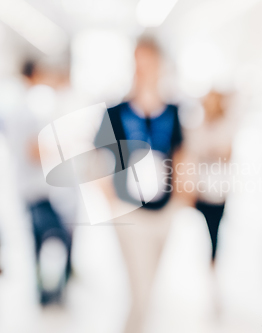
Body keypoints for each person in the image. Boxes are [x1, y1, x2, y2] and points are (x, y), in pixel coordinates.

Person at [94, 37, 184, 333]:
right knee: (141, 293)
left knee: (149, 289)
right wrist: (111, 202)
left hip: (163, 211)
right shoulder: (116, 113)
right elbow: (96, 158)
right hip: (129, 213)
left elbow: (182, 155)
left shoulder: (172, 112)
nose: (142, 70)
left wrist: (182, 199)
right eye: (138, 63)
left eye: (149, 63)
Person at [2, 58, 73, 305]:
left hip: (26, 186)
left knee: (37, 243)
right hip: (38, 189)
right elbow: (34, 151)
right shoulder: (31, 109)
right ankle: (50, 290)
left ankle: (43, 289)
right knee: (58, 237)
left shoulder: (16, 108)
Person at [183, 90, 234, 263]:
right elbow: (192, 152)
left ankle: (211, 262)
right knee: (196, 232)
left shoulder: (226, 126)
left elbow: (227, 153)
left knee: (214, 231)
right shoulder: (198, 126)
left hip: (218, 190)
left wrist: (210, 151)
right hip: (200, 188)